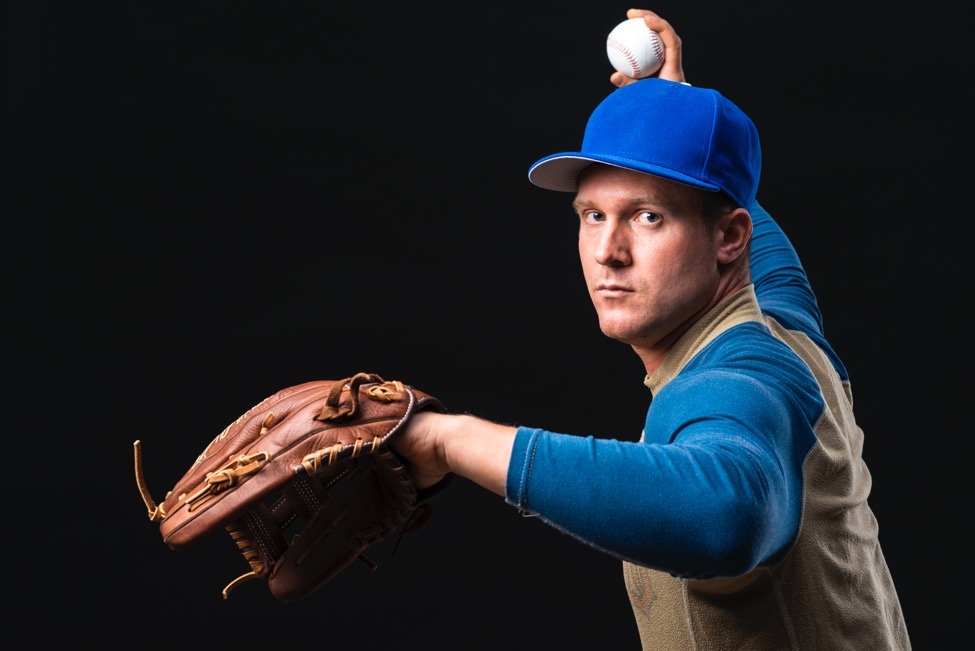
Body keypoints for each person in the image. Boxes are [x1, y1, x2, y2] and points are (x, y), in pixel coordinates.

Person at [391, 8, 911, 649]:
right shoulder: (786, 321)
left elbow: (726, 515)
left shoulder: (743, 378)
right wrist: (675, 109)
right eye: (591, 215)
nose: (608, 250)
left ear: (728, 239)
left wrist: (447, 440)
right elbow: (744, 216)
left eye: (646, 219)